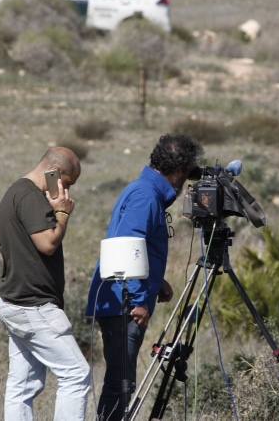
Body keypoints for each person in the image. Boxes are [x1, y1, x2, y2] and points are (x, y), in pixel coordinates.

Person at [86, 134, 202, 420]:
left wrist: (154, 282)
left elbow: (135, 247)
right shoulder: (145, 196)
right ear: (178, 171)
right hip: (122, 305)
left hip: (121, 300)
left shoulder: (146, 192)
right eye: (187, 174)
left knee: (120, 382)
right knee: (121, 384)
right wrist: (138, 298)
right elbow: (127, 244)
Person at [0, 146, 90, 420]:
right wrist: (62, 212)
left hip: (15, 302)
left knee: (23, 385)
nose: (67, 190)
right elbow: (47, 243)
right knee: (76, 375)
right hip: (33, 305)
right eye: (68, 183)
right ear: (56, 173)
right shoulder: (30, 197)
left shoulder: (17, 191)